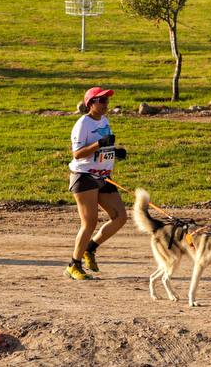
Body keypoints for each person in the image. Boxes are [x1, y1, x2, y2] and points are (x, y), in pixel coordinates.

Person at [65, 86, 128, 281]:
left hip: (103, 175)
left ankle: (90, 249)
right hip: (84, 176)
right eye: (101, 100)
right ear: (90, 103)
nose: (105, 104)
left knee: (120, 217)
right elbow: (77, 153)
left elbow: (103, 147)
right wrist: (99, 145)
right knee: (89, 222)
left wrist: (114, 151)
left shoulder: (104, 120)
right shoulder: (83, 123)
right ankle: (73, 265)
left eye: (106, 100)